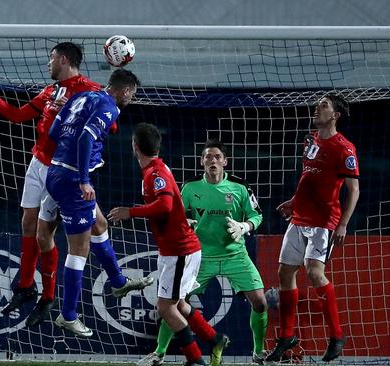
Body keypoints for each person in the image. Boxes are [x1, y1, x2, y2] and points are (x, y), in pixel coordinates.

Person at [0, 42, 106, 327]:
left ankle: (49, 297)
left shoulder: (91, 91)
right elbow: (18, 116)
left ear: (64, 60)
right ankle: (26, 286)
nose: (48, 63)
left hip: (61, 170)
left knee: (47, 236)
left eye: (52, 58)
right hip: (37, 163)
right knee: (27, 224)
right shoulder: (51, 91)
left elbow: (105, 128)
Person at [137, 139, 267, 366]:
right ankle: (159, 353)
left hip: (235, 255)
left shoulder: (240, 187)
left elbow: (257, 215)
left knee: (260, 303)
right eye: (208, 157)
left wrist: (244, 226)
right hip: (200, 257)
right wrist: (186, 220)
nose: (213, 161)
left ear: (225, 162)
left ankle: (258, 353)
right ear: (201, 162)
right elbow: (175, 212)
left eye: (217, 157)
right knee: (174, 303)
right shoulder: (190, 187)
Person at [108, 123, 228, 366]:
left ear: (135, 147)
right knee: (179, 304)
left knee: (165, 307)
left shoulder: (156, 173)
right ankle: (214, 339)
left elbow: (165, 206)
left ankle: (195, 360)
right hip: (174, 249)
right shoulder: (154, 169)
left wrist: (129, 212)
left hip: (180, 250)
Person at [46, 69, 153, 337]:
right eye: (132, 94)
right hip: (73, 181)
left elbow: (53, 131)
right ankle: (68, 315)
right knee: (78, 250)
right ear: (125, 90)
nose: (131, 98)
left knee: (100, 223)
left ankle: (118, 282)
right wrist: (82, 178)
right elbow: (85, 137)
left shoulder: (81, 96)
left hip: (57, 170)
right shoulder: (109, 107)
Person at [265, 94, 359, 363]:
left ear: (335, 115)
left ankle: (337, 336)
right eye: (318, 104)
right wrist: (294, 202)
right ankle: (286, 338)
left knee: (315, 273)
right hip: (299, 219)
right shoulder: (310, 140)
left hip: (324, 223)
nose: (317, 107)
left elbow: (354, 189)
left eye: (324, 105)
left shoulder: (345, 148)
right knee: (284, 273)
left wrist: (343, 225)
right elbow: (309, 177)